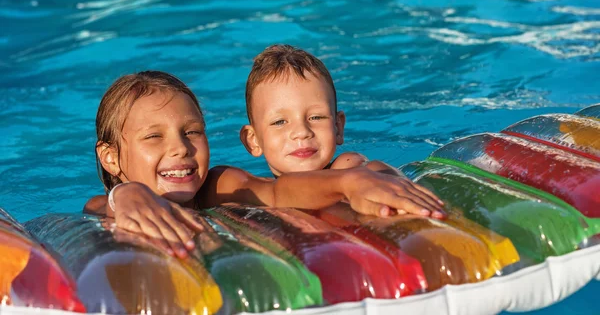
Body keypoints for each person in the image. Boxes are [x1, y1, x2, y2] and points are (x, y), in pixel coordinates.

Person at [85, 70, 444, 257]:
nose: (180, 148)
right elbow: (101, 207)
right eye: (154, 137)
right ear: (111, 157)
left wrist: (348, 181)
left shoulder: (216, 186)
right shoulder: (109, 206)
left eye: (192, 132)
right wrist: (126, 195)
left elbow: (277, 192)